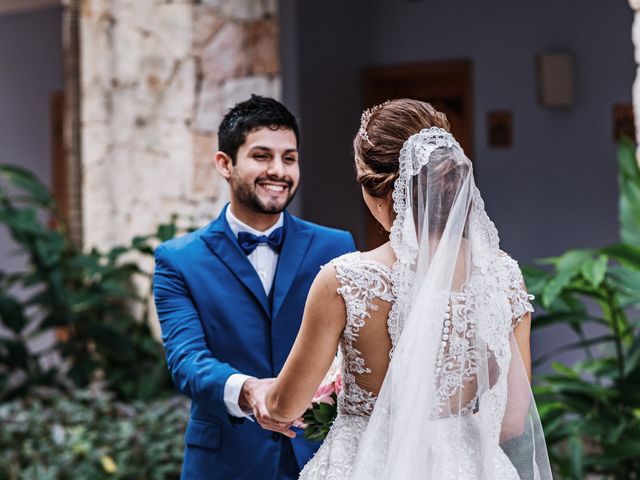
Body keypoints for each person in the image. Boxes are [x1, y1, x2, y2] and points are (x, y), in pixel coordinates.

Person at [264, 99, 553, 479]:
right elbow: (513, 420)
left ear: (378, 190)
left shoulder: (344, 280)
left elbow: (285, 406)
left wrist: (270, 399)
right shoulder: (503, 277)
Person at [153, 94, 356, 480]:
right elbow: (186, 361)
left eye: (289, 158)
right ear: (224, 164)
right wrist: (249, 391)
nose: (278, 170)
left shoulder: (337, 246)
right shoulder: (178, 260)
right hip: (225, 463)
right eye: (261, 156)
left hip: (322, 457)